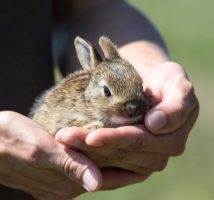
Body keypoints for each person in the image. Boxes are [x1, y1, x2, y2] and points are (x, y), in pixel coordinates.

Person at [0, 0, 199, 200]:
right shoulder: (78, 110)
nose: (132, 107)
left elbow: (95, 7)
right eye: (108, 93)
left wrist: (149, 65)